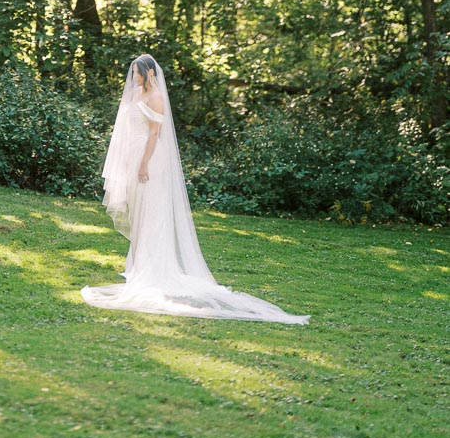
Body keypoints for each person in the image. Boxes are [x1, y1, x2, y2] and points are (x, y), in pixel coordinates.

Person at [81, 54, 309, 323]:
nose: (134, 77)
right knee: (139, 214)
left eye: (137, 72)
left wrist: (144, 163)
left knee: (152, 215)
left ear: (149, 72)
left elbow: (154, 134)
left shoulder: (156, 96)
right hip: (133, 157)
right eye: (133, 72)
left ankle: (154, 268)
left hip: (150, 159)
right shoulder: (134, 94)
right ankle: (140, 265)